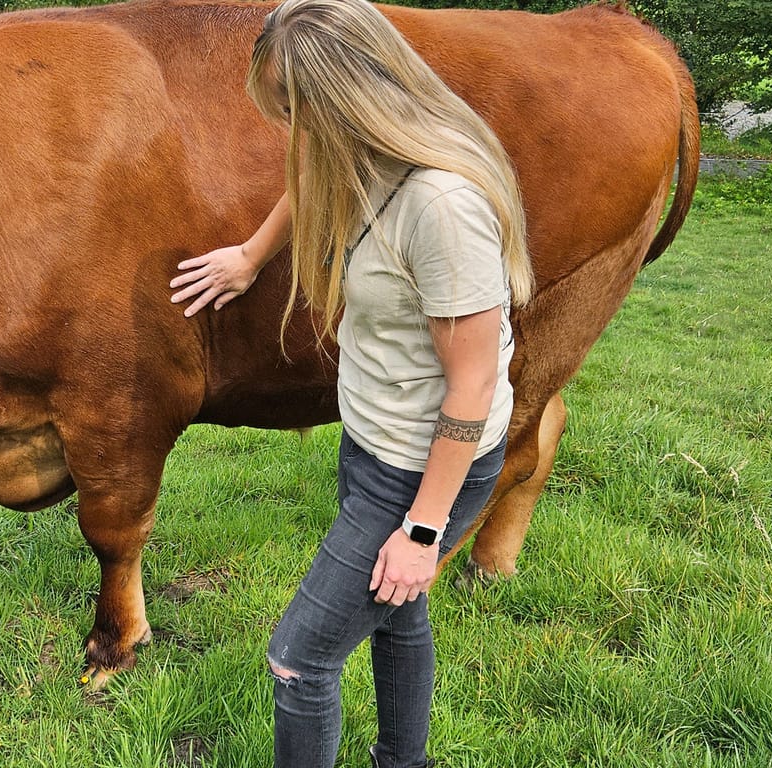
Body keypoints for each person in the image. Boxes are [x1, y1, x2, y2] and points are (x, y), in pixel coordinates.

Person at [169, 0, 535, 765]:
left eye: (298, 108)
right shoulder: (357, 153)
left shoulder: (441, 207)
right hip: (376, 447)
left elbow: (470, 389)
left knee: (298, 660)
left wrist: (425, 530)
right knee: (398, 614)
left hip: (423, 469)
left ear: (345, 98)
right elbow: (309, 174)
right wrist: (251, 255)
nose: (292, 129)